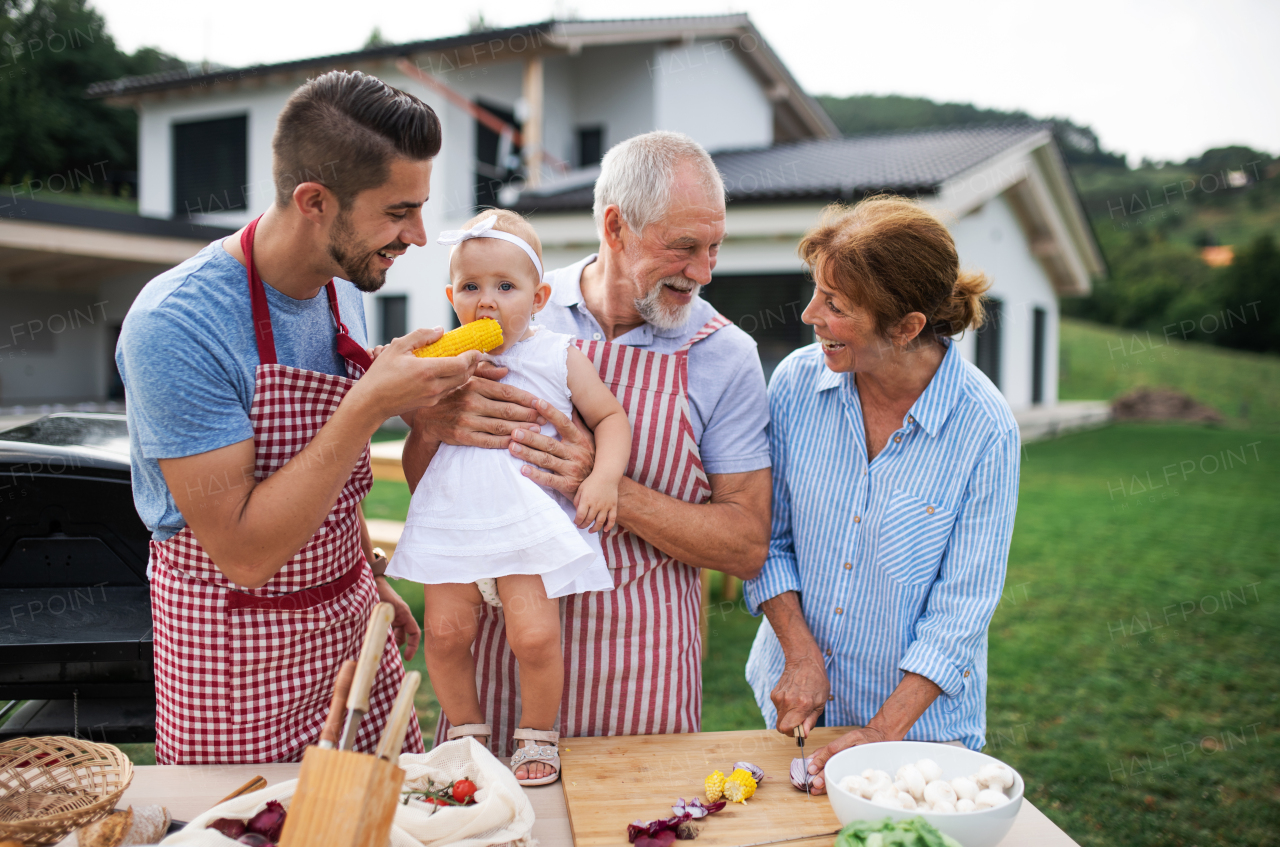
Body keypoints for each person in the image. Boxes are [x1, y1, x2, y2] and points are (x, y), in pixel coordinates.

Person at [115, 71, 491, 764]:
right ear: (315, 201)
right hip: (234, 657)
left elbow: (329, 477)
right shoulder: (178, 325)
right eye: (398, 211)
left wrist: (366, 573)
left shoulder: (343, 287)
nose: (418, 234)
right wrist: (371, 402)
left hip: (349, 624)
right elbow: (245, 551)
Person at [402, 131, 773, 757]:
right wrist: (428, 424)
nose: (705, 272)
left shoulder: (726, 354)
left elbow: (745, 545)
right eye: (684, 247)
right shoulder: (506, 303)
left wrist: (604, 485)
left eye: (714, 248)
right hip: (502, 675)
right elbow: (429, 478)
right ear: (615, 225)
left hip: (644, 677)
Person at [743, 195, 1021, 793]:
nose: (811, 314)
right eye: (816, 291)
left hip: (921, 736)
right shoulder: (794, 383)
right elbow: (767, 536)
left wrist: (881, 730)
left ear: (907, 327)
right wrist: (800, 654)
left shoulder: (985, 428)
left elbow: (963, 608)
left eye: (836, 305)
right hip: (796, 709)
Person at [386, 210, 630, 785]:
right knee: (446, 634)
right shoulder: (444, 357)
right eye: (470, 287)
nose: (486, 302)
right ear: (451, 296)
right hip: (454, 522)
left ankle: (537, 734)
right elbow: (406, 415)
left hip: (523, 521)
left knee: (535, 635)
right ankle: (467, 734)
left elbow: (610, 417)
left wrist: (604, 478)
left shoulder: (557, 354)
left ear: (540, 296)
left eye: (505, 287)